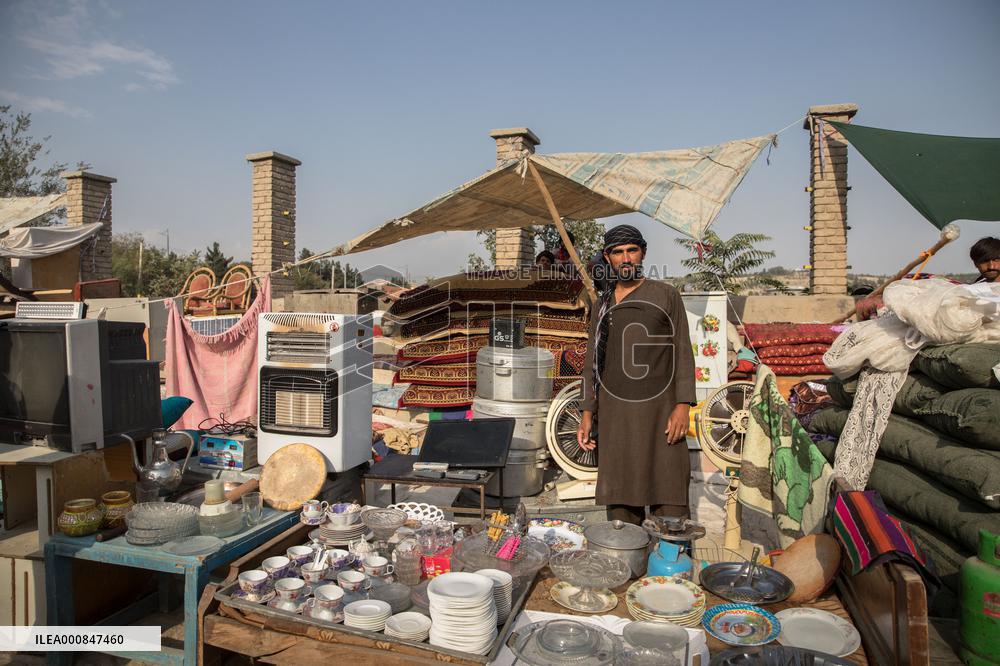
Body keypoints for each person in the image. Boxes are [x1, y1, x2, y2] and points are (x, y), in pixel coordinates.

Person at [577, 224, 697, 525]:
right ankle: (629, 565)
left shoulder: (665, 295)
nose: (626, 258)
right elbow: (592, 360)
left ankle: (670, 567)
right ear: (608, 257)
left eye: (632, 250)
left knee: (669, 494)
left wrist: (683, 405)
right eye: (618, 252)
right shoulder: (602, 304)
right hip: (616, 415)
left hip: (660, 413)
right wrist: (588, 411)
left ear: (642, 253)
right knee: (621, 500)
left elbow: (683, 350)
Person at [856, 236, 1000, 320]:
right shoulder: (975, 287)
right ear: (975, 263)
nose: (992, 266)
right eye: (984, 261)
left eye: (997, 260)